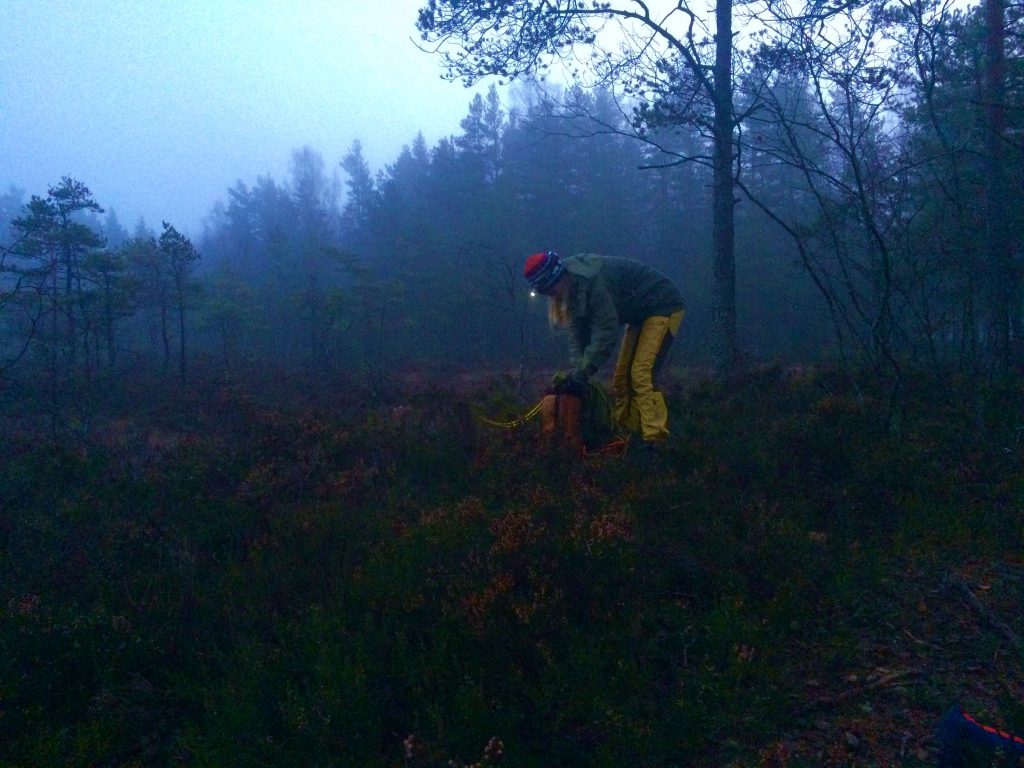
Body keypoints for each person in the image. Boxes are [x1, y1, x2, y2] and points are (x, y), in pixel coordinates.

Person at [523, 250, 685, 450]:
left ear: (557, 277)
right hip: (639, 315)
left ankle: (654, 440)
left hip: (663, 305)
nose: (551, 296)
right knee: (621, 378)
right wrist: (576, 374)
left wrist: (581, 375)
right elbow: (577, 335)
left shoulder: (592, 281)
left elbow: (606, 334)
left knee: (641, 375)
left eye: (551, 290)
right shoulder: (569, 290)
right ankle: (629, 433)